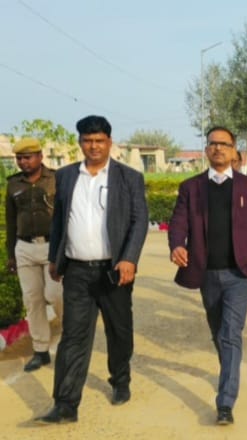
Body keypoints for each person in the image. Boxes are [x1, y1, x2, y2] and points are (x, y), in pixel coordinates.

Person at [36, 115, 148, 424]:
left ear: (110, 142)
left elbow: (139, 220)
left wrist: (129, 258)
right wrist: (55, 258)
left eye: (99, 140)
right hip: (77, 271)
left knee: (119, 331)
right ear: (80, 143)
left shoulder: (129, 177)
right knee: (73, 336)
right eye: (87, 140)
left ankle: (120, 379)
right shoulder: (66, 176)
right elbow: (59, 220)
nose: (94, 146)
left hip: (114, 271)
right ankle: (65, 404)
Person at [168, 126, 247, 425]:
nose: (218, 148)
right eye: (213, 143)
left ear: (234, 149)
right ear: (206, 149)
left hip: (240, 274)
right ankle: (230, 371)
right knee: (218, 331)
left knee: (230, 333)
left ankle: (225, 403)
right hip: (206, 272)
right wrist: (177, 245)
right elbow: (178, 222)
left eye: (224, 144)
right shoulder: (191, 187)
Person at [5, 137, 62, 372]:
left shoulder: (56, 179)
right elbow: (11, 221)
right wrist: (11, 254)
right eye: (19, 158)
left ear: (40, 156)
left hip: (52, 246)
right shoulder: (13, 184)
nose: (23, 162)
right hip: (25, 248)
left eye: (27, 157)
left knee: (55, 294)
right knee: (33, 300)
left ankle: (72, 335)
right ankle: (40, 350)